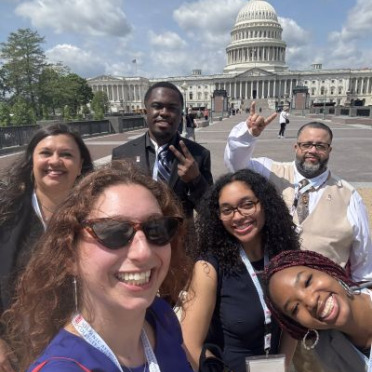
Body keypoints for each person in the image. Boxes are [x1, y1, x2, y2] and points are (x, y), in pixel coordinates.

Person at [2, 161, 193, 372]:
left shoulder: (160, 316)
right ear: (70, 256)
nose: (144, 252)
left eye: (157, 228)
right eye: (113, 231)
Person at [224, 101, 372, 282]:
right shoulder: (269, 171)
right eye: (307, 144)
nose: (312, 150)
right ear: (296, 147)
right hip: (271, 287)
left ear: (329, 150)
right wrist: (248, 136)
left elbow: (363, 258)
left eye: (320, 146)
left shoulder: (349, 196)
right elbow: (236, 165)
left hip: (324, 294)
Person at [181, 169, 300, 372]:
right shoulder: (208, 268)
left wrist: (284, 366)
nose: (238, 216)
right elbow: (190, 343)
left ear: (265, 203)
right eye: (227, 210)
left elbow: (293, 324)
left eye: (247, 205)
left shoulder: (286, 257)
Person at [0, 123, 93, 371]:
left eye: (66, 154)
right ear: (31, 160)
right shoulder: (6, 214)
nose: (56, 161)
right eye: (46, 153)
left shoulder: (97, 213)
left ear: (80, 164)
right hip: (19, 347)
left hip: (84, 342)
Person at [112, 81, 213, 219]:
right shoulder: (123, 154)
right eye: (157, 106)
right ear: (146, 111)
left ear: (180, 114)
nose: (164, 113)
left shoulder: (199, 154)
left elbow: (210, 211)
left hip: (179, 238)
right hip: (137, 237)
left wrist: (195, 180)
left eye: (172, 108)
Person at [265, 249, 372, 372]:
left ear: (328, 271)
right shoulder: (327, 349)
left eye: (308, 282)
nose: (311, 302)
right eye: (295, 308)